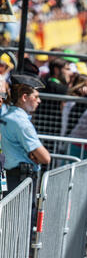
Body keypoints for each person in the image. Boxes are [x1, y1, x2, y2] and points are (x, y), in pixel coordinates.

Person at [0, 74, 51, 225]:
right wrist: (34, 155)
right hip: (20, 179)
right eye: (35, 97)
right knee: (20, 225)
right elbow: (45, 158)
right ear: (24, 97)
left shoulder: (7, 115)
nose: (39, 101)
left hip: (11, 175)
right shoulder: (21, 122)